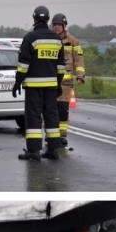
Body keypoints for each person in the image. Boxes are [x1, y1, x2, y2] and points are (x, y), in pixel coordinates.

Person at [12, 5, 65, 161]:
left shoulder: (30, 38)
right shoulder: (57, 39)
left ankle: (34, 151)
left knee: (34, 117)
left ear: (34, 19)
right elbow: (61, 66)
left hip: (33, 87)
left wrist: (17, 82)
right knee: (52, 116)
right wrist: (58, 84)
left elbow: (23, 65)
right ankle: (53, 150)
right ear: (48, 19)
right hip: (51, 86)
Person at [51, 13, 85, 146]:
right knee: (49, 109)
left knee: (63, 109)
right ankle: (50, 134)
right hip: (50, 81)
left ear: (64, 26)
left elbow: (79, 59)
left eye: (59, 25)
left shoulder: (72, 41)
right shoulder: (49, 40)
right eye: (55, 25)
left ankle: (62, 135)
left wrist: (80, 75)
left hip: (65, 83)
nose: (57, 27)